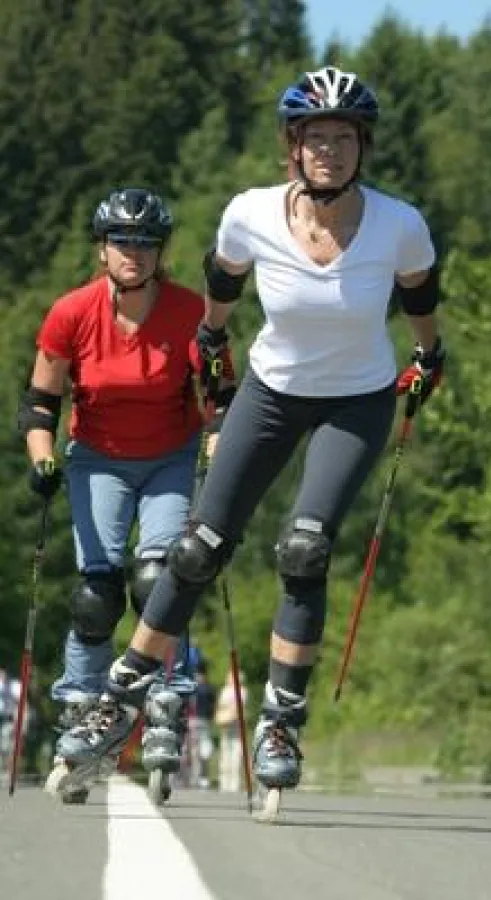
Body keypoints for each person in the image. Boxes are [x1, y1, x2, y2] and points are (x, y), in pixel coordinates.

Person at [57, 65, 445, 797]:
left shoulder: (398, 223)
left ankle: (280, 723)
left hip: (355, 401)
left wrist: (429, 354)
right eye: (314, 136)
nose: (328, 148)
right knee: (199, 547)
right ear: (292, 146)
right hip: (270, 392)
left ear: (362, 146)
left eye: (342, 136)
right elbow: (224, 275)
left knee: (304, 548)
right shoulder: (252, 213)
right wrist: (209, 335)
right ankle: (121, 695)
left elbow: (419, 293)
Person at [18, 187, 214, 801]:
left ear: (161, 252)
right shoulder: (71, 313)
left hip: (171, 458)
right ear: (103, 249)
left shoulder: (191, 313)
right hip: (97, 459)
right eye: (123, 241)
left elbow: (221, 396)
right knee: (96, 597)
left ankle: (164, 701)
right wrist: (42, 457)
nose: (134, 252)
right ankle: (81, 709)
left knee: (162, 579)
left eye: (146, 243)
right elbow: (40, 403)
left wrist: (216, 439)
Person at [186, 646, 217, 789]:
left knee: (193, 750)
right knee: (203, 750)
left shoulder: (191, 687)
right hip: (204, 721)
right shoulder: (209, 687)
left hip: (192, 720)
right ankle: (202, 777)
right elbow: (213, 707)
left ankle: (194, 777)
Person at [215, 666, 248, 793]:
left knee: (235, 753)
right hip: (228, 723)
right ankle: (225, 782)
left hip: (237, 725)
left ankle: (233, 783)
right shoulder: (227, 690)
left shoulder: (242, 691)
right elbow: (222, 706)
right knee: (226, 753)